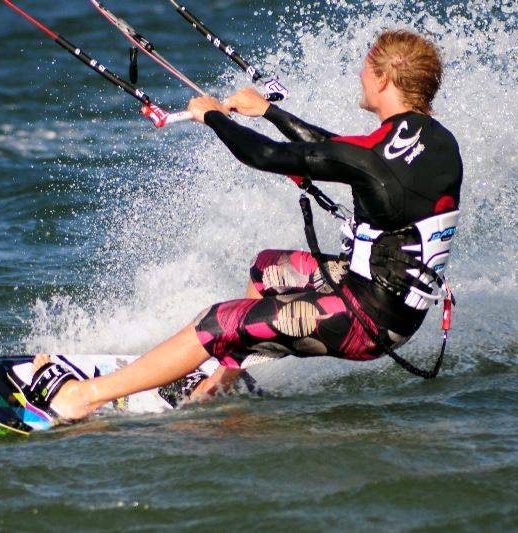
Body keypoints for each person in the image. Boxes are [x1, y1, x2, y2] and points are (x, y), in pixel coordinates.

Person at [27, 29, 463, 421]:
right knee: (267, 269)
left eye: (366, 69)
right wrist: (268, 112)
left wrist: (213, 116)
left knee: (215, 321)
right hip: (391, 302)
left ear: (383, 80)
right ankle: (218, 385)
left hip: (367, 321)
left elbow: (267, 156)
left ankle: (81, 397)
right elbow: (338, 151)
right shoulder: (436, 141)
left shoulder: (374, 156)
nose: (360, 76)